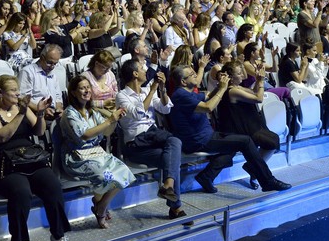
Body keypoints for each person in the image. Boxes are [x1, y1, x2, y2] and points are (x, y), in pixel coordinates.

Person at [0, 75, 71, 241]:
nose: (18, 93)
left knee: (52, 184)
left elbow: (38, 131)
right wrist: (21, 113)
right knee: (21, 191)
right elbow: (1, 137)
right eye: (13, 90)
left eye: (17, 90)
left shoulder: (20, 108)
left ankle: (58, 234)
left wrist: (38, 114)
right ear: (0, 93)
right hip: (3, 166)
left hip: (29, 160)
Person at [169, 65, 291, 193]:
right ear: (183, 81)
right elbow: (208, 107)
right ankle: (268, 181)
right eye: (192, 74)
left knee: (234, 145)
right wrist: (222, 89)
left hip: (206, 136)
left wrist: (221, 85)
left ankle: (206, 176)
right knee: (245, 141)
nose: (196, 75)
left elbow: (208, 95)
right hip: (198, 141)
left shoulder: (188, 93)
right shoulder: (180, 95)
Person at [116, 60, 187, 220]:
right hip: (136, 144)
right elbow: (137, 114)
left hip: (152, 137)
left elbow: (166, 108)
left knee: (171, 152)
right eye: (142, 68)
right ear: (135, 74)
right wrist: (153, 89)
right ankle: (174, 206)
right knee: (174, 146)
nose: (145, 70)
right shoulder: (122, 96)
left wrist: (161, 89)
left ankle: (169, 188)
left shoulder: (148, 90)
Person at [60, 76, 134, 228]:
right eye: (82, 88)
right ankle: (101, 208)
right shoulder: (70, 113)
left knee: (125, 172)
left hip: (96, 153)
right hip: (76, 156)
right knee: (105, 176)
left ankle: (100, 205)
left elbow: (106, 132)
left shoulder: (92, 111)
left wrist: (114, 119)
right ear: (73, 92)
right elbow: (85, 134)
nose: (87, 90)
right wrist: (109, 120)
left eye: (88, 87)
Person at [217, 60, 281, 190]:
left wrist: (258, 80)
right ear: (230, 76)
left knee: (274, 139)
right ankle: (254, 168)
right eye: (239, 73)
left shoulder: (239, 88)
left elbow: (253, 92)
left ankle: (252, 168)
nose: (242, 76)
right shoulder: (232, 91)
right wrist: (262, 81)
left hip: (251, 124)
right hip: (242, 128)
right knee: (271, 143)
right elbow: (258, 98)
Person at [19, 44, 65, 120]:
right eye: (49, 62)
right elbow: (22, 98)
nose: (52, 66)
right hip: (34, 114)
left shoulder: (53, 74)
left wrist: (59, 108)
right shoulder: (27, 72)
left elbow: (58, 97)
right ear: (42, 58)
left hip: (53, 113)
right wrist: (41, 109)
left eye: (55, 64)